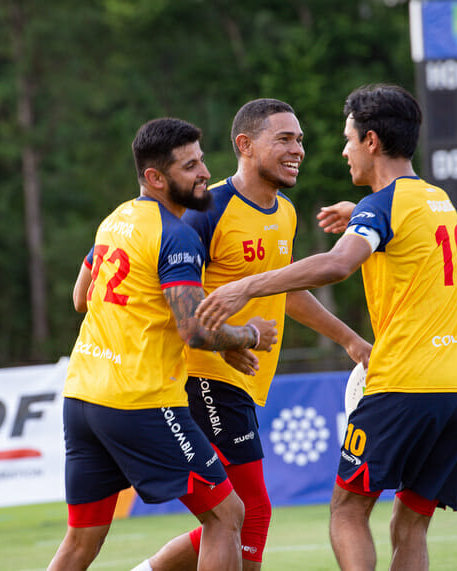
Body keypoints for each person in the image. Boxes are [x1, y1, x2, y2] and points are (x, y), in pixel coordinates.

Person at [195, 85, 457, 571]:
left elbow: (337, 265)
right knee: (410, 525)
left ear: (371, 141)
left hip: (406, 384)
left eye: (348, 139)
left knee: (347, 511)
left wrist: (248, 286)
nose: (342, 150)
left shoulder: (381, 203)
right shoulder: (437, 200)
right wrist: (351, 334)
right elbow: (407, 238)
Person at [135, 98, 373, 571]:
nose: (297, 149)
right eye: (283, 139)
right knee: (252, 512)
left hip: (243, 383)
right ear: (245, 145)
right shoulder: (208, 209)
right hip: (203, 376)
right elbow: (174, 294)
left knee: (228, 516)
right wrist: (230, 341)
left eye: (299, 140)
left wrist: (350, 340)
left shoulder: (285, 211)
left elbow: (283, 289)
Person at [47, 117, 280, 571]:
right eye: (190, 166)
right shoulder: (177, 237)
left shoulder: (115, 219)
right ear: (156, 178)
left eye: (202, 161)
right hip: (141, 402)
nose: (204, 173)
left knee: (80, 542)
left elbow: (80, 298)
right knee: (228, 515)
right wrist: (248, 334)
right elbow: (194, 329)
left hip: (83, 398)